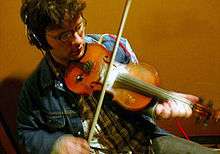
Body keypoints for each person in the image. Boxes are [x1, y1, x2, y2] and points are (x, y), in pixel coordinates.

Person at [17, 0, 219, 153]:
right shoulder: (36, 88)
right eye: (63, 36)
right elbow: (26, 133)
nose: (77, 41)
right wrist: (57, 144)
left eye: (78, 27)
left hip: (144, 141)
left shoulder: (115, 48)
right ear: (40, 40)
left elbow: (136, 101)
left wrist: (156, 108)